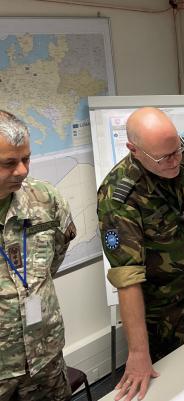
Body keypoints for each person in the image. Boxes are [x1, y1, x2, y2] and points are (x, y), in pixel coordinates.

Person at [97, 107, 184, 401]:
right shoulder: (119, 199)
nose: (175, 161)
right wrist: (139, 353)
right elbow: (128, 280)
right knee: (174, 388)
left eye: (175, 150)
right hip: (163, 315)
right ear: (133, 150)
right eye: (164, 158)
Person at [0, 111, 77, 400]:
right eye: (9, 163)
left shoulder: (45, 200)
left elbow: (57, 253)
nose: (21, 171)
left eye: (26, 159)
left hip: (45, 357)